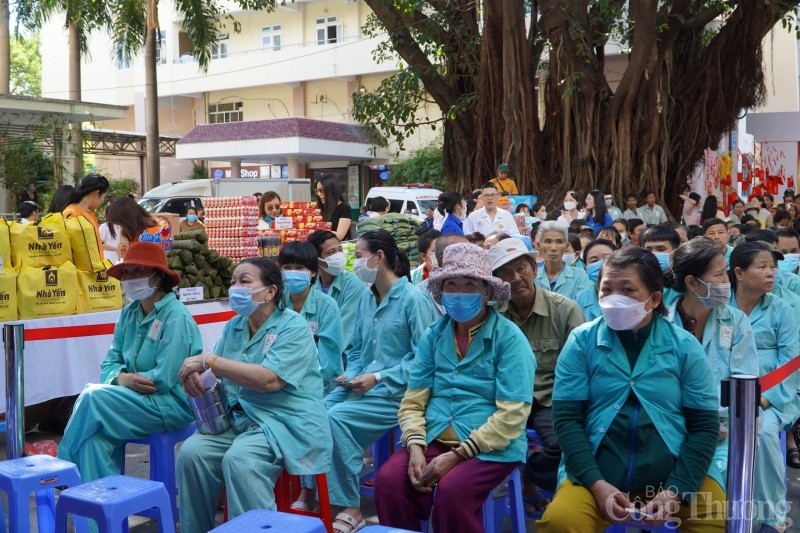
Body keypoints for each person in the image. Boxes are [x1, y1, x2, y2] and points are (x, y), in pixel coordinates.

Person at [536, 247, 724, 533]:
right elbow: (567, 421)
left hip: (675, 471)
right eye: (606, 290)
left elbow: (704, 427)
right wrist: (597, 485)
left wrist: (675, 491)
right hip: (596, 472)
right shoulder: (582, 342)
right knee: (561, 523)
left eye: (627, 290)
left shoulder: (684, 347)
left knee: (713, 518)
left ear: (654, 298)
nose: (614, 299)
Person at [375, 243, 534, 532]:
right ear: (441, 291)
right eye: (451, 285)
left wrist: (459, 454)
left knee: (452, 491)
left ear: (487, 292)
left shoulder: (509, 338)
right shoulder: (433, 335)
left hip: (490, 446)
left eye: (469, 285)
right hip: (433, 438)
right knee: (389, 481)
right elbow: (413, 400)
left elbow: (513, 413)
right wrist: (414, 446)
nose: (459, 293)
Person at [176, 257, 332, 531]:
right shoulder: (235, 325)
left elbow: (269, 381)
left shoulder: (292, 326)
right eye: (233, 282)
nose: (235, 287)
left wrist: (208, 361)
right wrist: (195, 377)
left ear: (270, 291)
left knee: (240, 460)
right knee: (191, 453)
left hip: (285, 420)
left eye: (245, 281)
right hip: (242, 417)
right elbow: (217, 373)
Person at [308, 229, 434, 532]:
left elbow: (424, 359)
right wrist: (350, 376)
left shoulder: (413, 299)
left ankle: (349, 507)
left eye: (360, 255)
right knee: (313, 413)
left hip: (399, 392)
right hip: (364, 386)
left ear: (379, 258)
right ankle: (313, 493)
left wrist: (377, 377)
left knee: (335, 420)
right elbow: (358, 352)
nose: (355, 263)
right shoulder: (367, 299)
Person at [58, 242, 202, 483]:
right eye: (126, 272)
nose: (129, 277)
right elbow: (109, 364)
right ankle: (102, 516)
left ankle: (63, 467)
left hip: (169, 405)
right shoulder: (129, 312)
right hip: (134, 399)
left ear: (158, 277)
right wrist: (122, 378)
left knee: (92, 396)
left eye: (138, 271)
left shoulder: (175, 316)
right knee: (93, 443)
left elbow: (163, 379)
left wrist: (127, 382)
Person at [489, 238, 585, 499]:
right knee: (478, 439)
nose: (516, 278)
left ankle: (529, 475)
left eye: (521, 268)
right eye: (506, 273)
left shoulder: (564, 310)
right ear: (497, 280)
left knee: (562, 443)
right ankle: (507, 482)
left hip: (548, 399)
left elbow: (583, 366)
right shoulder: (493, 315)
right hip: (504, 397)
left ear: (534, 268)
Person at [664, 237, 759, 491]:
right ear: (692, 283)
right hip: (669, 429)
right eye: (718, 275)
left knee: (724, 483)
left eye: (725, 274)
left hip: (723, 434)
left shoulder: (736, 321)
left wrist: (714, 425)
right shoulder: (661, 325)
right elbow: (656, 387)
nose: (727, 283)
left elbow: (743, 383)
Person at [728, 242, 800, 531]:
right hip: (727, 391)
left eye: (773, 267)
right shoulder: (722, 306)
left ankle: (770, 517)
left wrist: (766, 398)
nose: (771, 273)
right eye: (762, 267)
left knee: (762, 430)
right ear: (739, 273)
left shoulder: (782, 308)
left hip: (772, 396)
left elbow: (792, 360)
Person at [279, 241, 344, 393]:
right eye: (287, 268)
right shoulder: (276, 304)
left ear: (313, 272)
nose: (292, 272)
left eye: (300, 268)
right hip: (281, 384)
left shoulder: (327, 306)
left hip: (321, 388)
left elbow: (329, 363)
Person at [307, 230, 367, 361]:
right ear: (317, 260)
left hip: (345, 354)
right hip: (312, 352)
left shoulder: (354, 285)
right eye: (331, 253)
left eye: (340, 250)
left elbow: (341, 334)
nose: (339, 256)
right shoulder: (312, 284)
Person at [534, 221, 592, 301]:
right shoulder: (533, 277)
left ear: (566, 246)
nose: (553, 248)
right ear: (539, 246)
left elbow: (582, 307)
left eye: (559, 242)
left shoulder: (580, 276)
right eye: (548, 242)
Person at [63, 173, 110, 259]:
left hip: (94, 269)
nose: (103, 200)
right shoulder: (71, 214)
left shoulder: (90, 216)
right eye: (104, 197)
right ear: (97, 193)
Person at [575, 239, 616, 321]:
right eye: (594, 261)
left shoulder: (631, 294)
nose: (601, 264)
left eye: (607, 258)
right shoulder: (579, 302)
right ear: (585, 269)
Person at [317, 174, 352, 241]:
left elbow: (339, 236)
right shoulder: (318, 208)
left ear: (331, 190)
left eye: (321, 190)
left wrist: (315, 231)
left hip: (333, 249)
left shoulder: (344, 208)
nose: (319, 194)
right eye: (317, 190)